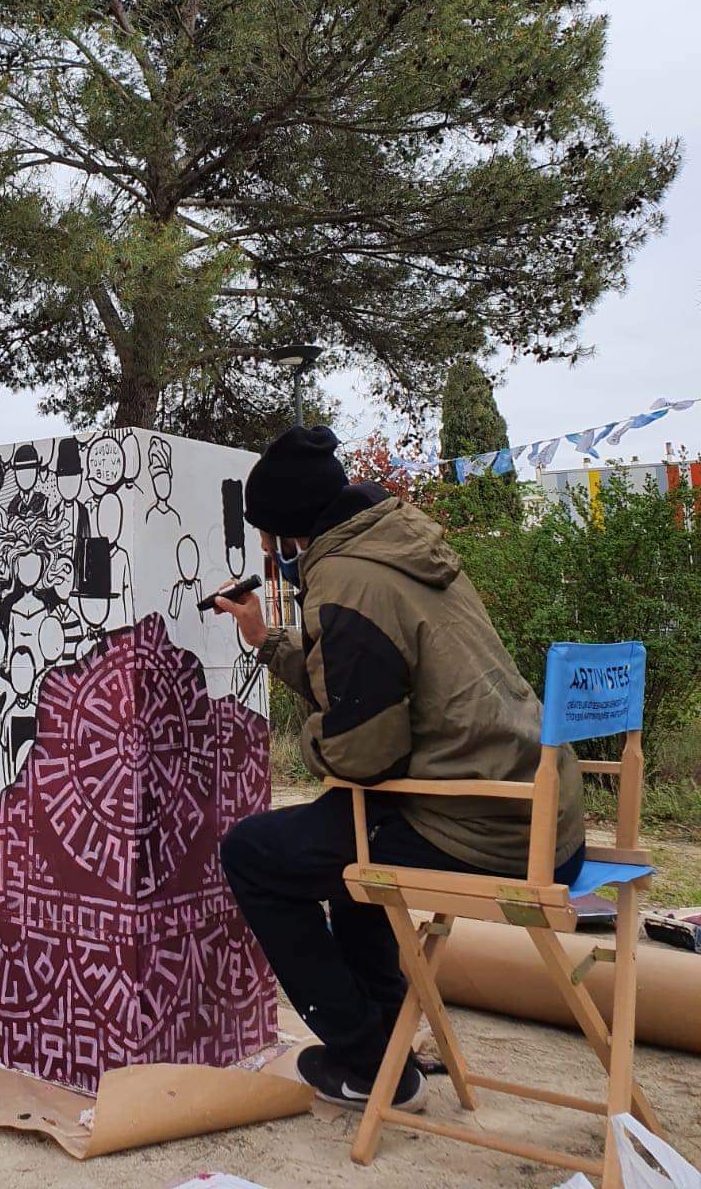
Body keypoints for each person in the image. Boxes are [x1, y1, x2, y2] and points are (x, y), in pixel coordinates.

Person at [215, 426, 584, 1115]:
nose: (268, 553)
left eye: (270, 537)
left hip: (483, 824)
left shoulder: (349, 584)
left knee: (253, 854)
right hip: (532, 803)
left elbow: (364, 753)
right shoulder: (398, 544)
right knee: (346, 855)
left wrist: (315, 751)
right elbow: (360, 679)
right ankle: (385, 1050)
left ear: (292, 530)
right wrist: (268, 642)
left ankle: (364, 1057)